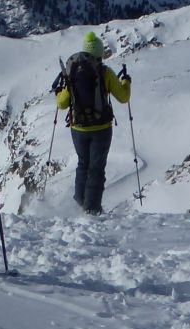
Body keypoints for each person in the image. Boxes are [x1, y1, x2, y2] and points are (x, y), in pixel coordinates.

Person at [54, 31, 132, 215]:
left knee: (83, 164)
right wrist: (126, 82)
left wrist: (59, 92)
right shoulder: (104, 72)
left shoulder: (72, 71)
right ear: (98, 54)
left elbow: (62, 104)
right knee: (96, 168)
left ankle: (80, 203)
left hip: (78, 128)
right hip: (101, 128)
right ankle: (92, 209)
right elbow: (123, 97)